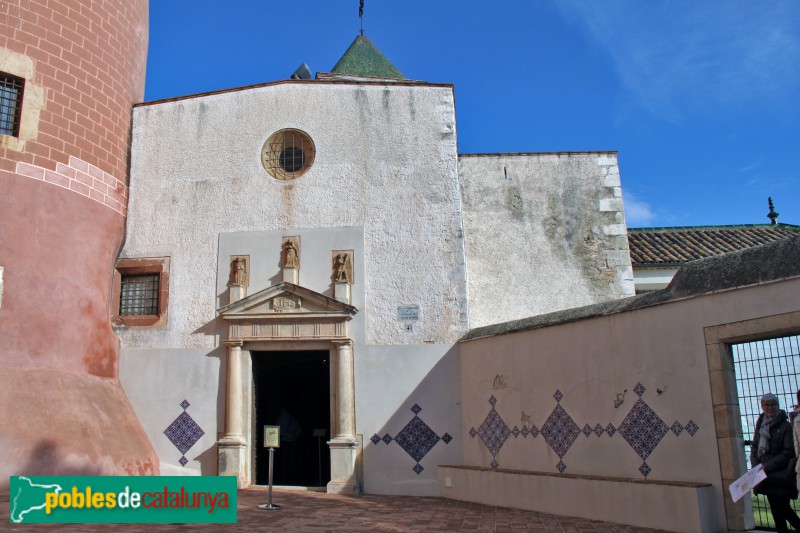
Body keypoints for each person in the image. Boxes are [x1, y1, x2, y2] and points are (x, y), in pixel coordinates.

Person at [751, 393, 800, 532]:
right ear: (761, 406)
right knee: (776, 511)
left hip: (781, 474)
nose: (769, 407)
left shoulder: (786, 425)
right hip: (765, 474)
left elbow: (789, 451)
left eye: (773, 404)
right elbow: (755, 446)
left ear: (777, 406)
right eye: (766, 404)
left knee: (784, 508)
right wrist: (756, 465)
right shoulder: (761, 424)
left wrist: (768, 466)